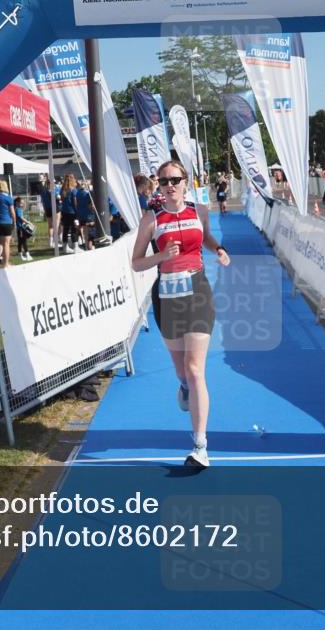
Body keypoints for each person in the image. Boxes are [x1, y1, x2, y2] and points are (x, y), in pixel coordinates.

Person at [131, 160, 231, 469]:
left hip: (198, 291)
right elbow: (136, 263)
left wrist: (218, 249)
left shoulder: (199, 212)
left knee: (195, 368)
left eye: (175, 179)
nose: (170, 185)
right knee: (181, 371)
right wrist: (162, 256)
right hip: (167, 298)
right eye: (164, 181)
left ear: (186, 182)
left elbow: (206, 237)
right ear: (158, 186)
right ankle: (184, 386)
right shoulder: (151, 219)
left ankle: (200, 446)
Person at [58, 174, 79, 254]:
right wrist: (77, 212)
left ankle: (65, 247)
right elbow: (75, 202)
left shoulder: (62, 189)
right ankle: (76, 248)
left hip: (64, 212)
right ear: (72, 179)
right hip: (72, 212)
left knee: (65, 230)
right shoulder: (73, 190)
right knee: (74, 230)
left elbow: (62, 201)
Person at [75, 179, 95, 250]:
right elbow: (90, 205)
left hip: (81, 214)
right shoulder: (88, 193)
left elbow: (76, 204)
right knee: (90, 233)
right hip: (88, 214)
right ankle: (89, 247)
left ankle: (86, 245)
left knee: (84, 232)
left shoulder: (77, 193)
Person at [13, 196, 35, 261]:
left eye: (23, 203)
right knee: (23, 241)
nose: (23, 204)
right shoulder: (18, 209)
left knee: (20, 242)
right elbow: (21, 218)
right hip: (21, 228)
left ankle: (21, 255)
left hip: (20, 228)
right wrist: (28, 222)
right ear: (17, 203)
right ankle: (27, 254)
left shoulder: (18, 209)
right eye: (21, 203)